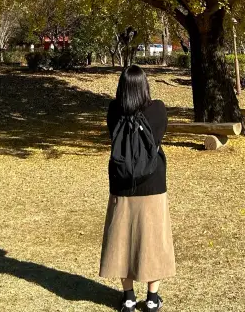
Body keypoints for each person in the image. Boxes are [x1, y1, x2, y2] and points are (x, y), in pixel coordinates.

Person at [99, 65, 176, 311]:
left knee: (122, 240)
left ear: (121, 87)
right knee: (153, 240)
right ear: (145, 86)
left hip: (122, 185)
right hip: (153, 185)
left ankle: (129, 297)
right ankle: (152, 298)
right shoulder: (158, 110)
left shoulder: (113, 112)